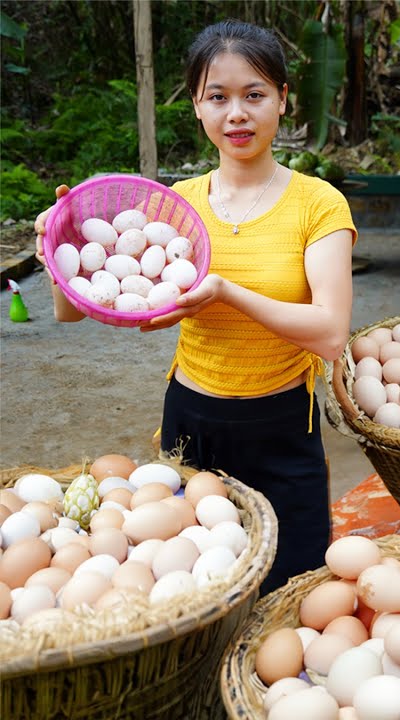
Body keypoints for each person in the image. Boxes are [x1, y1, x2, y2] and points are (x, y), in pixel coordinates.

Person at [35, 20, 357, 593]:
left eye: (254, 95)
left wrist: (228, 292)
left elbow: (330, 334)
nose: (237, 113)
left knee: (293, 589)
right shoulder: (176, 206)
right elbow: (72, 312)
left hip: (281, 424)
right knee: (198, 587)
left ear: (283, 100)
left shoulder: (317, 203)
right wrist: (62, 252)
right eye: (218, 97)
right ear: (197, 108)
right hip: (192, 420)